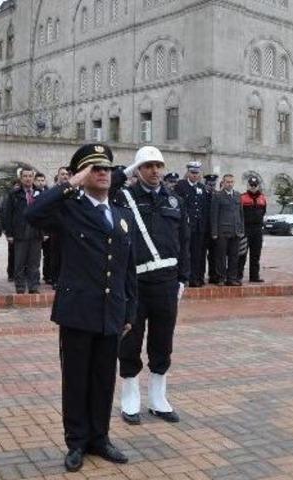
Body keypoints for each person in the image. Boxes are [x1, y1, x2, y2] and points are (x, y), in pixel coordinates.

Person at [25, 143, 136, 472]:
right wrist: (70, 183)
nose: (102, 173)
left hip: (110, 311)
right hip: (77, 311)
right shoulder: (67, 209)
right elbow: (32, 214)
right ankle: (76, 442)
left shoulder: (120, 214)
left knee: (104, 379)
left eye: (106, 168)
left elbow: (128, 269)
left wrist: (129, 311)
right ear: (82, 174)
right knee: (76, 380)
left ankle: (99, 439)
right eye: (94, 168)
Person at [112, 146, 190, 426]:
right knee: (130, 341)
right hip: (135, 283)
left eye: (158, 165)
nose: (155, 171)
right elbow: (107, 186)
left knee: (162, 340)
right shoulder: (124, 197)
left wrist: (184, 277)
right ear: (138, 170)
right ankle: (130, 400)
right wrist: (127, 171)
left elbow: (184, 242)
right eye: (148, 166)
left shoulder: (174, 200)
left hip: (167, 282)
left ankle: (159, 399)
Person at [2, 168, 43, 294]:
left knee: (34, 262)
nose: (28, 178)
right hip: (20, 233)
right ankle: (20, 287)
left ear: (33, 178)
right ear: (21, 178)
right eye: (25, 176)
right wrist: (9, 234)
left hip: (36, 232)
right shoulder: (14, 194)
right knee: (19, 262)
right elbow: (7, 214)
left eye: (30, 176)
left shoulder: (40, 193)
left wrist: (45, 231)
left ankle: (33, 286)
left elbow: (46, 213)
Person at [173, 162, 209, 287]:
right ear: (188, 172)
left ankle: (197, 277)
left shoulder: (202, 187)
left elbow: (204, 207)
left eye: (197, 173)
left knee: (198, 253)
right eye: (192, 173)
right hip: (186, 226)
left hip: (199, 227)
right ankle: (184, 277)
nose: (195, 175)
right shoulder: (181, 186)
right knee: (185, 253)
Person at [210, 174, 244, 286]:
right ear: (223, 183)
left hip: (236, 231)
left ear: (234, 182)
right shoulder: (218, 195)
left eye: (231, 182)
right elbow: (213, 215)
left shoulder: (238, 195)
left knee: (234, 256)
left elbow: (241, 214)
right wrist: (214, 232)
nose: (229, 184)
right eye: (227, 182)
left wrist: (241, 229)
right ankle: (221, 278)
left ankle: (232, 278)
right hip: (222, 231)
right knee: (221, 256)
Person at [239, 176, 267, 283]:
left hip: (257, 230)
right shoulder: (242, 197)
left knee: (256, 255)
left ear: (258, 186)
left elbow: (263, 211)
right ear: (248, 185)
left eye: (255, 185)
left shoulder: (262, 198)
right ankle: (238, 276)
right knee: (242, 254)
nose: (253, 187)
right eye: (251, 185)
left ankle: (254, 276)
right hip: (246, 229)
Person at [203, 174, 219, 284]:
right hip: (203, 230)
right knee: (201, 254)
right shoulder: (201, 194)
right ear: (206, 184)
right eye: (210, 184)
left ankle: (213, 275)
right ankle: (200, 275)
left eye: (214, 184)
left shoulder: (217, 195)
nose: (212, 186)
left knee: (214, 254)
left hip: (214, 230)